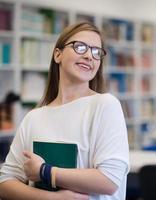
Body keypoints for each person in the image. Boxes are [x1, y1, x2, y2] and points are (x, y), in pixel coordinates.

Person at [0, 22, 129, 200]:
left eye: (96, 52)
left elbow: (109, 180)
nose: (89, 56)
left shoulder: (105, 105)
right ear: (57, 54)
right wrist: (52, 198)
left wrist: (45, 172)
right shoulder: (33, 117)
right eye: (80, 47)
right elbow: (5, 182)